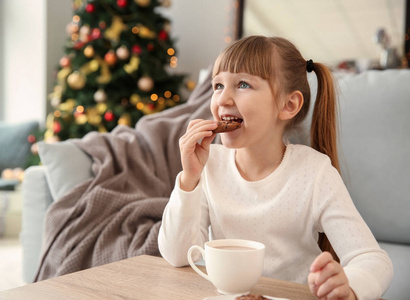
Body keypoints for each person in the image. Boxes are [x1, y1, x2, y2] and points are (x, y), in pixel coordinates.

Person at [158, 36, 393, 300]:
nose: (222, 98)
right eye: (218, 85)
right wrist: (189, 178)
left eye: (243, 84)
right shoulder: (210, 164)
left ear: (288, 105)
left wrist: (349, 288)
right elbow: (178, 256)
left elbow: (373, 259)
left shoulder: (314, 173)